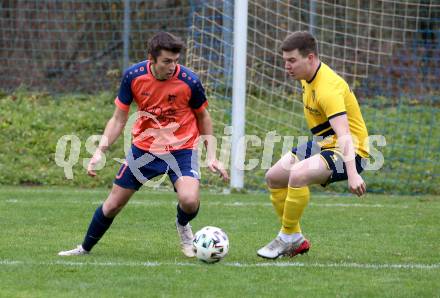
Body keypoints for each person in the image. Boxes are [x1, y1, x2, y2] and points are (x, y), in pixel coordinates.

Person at [58, 32, 228, 258]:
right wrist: (100, 150)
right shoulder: (133, 77)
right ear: (152, 58)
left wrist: (212, 155)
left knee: (189, 200)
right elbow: (119, 118)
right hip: (145, 150)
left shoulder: (189, 81)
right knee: (112, 206)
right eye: (167, 61)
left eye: (176, 61)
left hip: (182, 150)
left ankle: (183, 226)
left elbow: (203, 117)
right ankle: (84, 248)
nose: (172, 66)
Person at [257, 31, 369, 259]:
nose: (287, 66)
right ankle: (296, 239)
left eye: (292, 61)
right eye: (285, 61)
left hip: (352, 152)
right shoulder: (308, 79)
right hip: (328, 144)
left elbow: (345, 135)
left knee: (297, 174)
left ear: (310, 58)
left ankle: (285, 237)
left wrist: (353, 174)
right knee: (275, 177)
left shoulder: (327, 88)